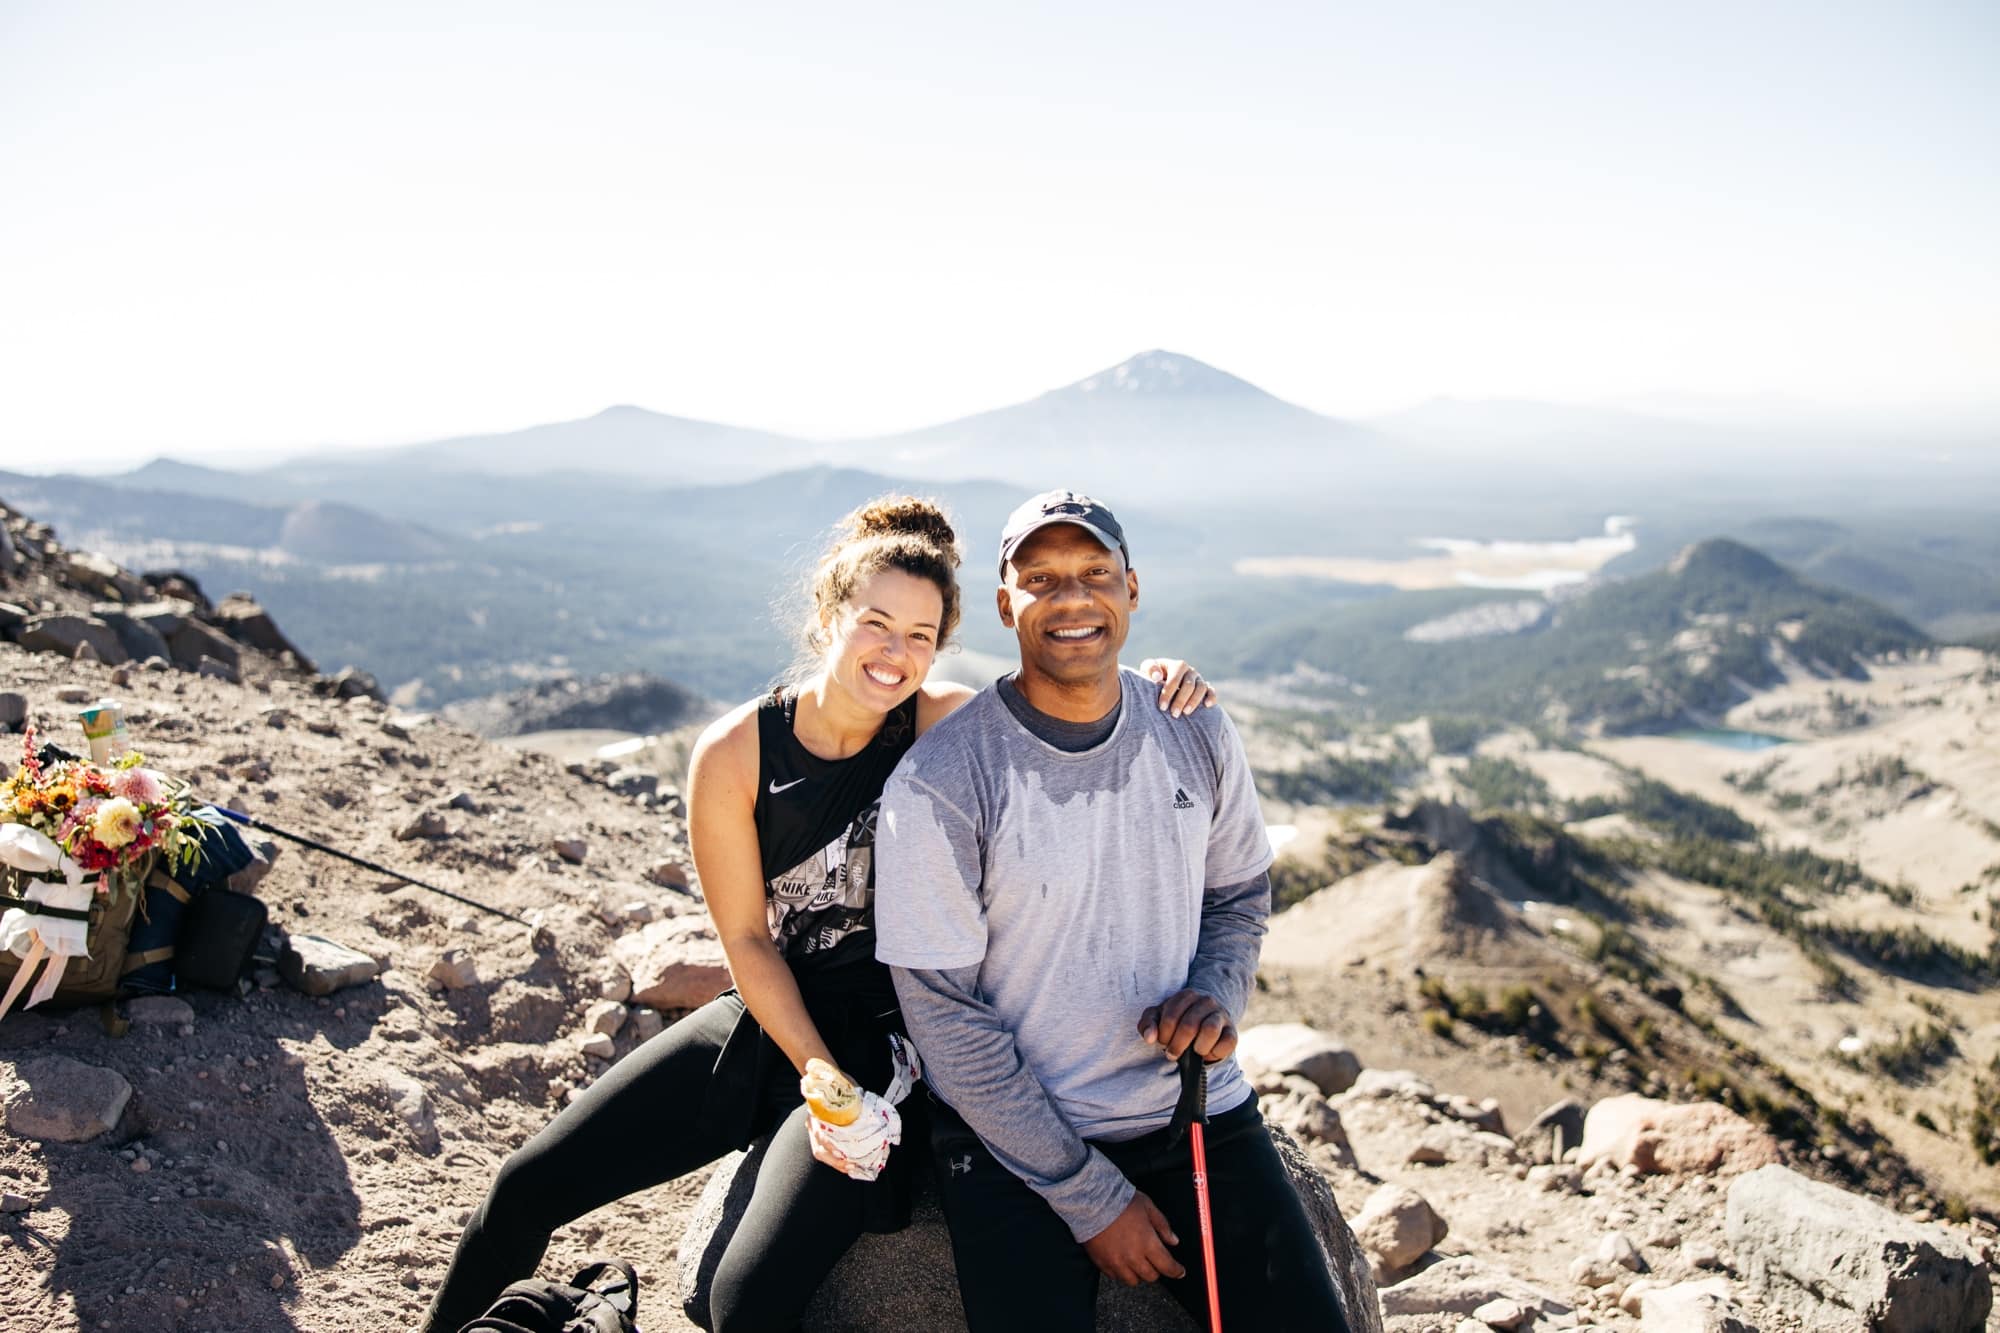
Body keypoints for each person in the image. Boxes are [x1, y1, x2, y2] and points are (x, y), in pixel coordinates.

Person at [421, 496, 1219, 1333]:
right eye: (877, 623)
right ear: (829, 613)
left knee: (744, 1304)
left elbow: (1066, 694)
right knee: (522, 1188)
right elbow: (745, 938)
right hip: (772, 1022)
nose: (896, 653)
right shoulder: (736, 752)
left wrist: (1155, 675)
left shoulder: (945, 725)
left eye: (920, 635)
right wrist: (816, 1069)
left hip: (891, 1048)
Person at [875, 489, 1350, 1333]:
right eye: (1042, 578)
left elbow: (1237, 891)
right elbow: (942, 1013)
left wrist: (1216, 992)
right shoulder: (944, 778)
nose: (1072, 599)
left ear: (1132, 589)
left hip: (1190, 1105)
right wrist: (1089, 1197)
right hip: (1013, 1139)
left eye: (1095, 573)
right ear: (1003, 604)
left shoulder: (1194, 728)